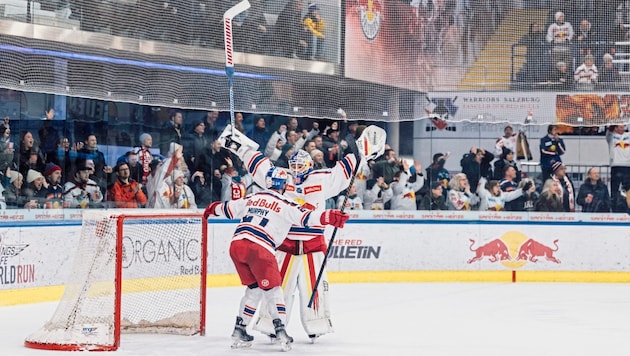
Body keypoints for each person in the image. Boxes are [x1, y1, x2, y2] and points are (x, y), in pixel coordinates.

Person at [222, 130, 357, 341]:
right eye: (293, 166)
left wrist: (358, 153)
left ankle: (316, 324)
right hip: (285, 245)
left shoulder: (321, 179)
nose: (295, 171)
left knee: (315, 287)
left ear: (309, 166)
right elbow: (261, 168)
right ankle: (269, 324)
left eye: (299, 167)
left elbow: (341, 174)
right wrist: (242, 149)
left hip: (312, 244)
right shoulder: (281, 178)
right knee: (277, 287)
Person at [202, 167, 349, 350]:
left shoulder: (252, 197)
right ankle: (280, 330)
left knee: (254, 289)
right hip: (260, 248)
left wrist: (210, 209)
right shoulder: (285, 203)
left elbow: (227, 209)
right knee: (274, 290)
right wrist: (330, 216)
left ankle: (240, 329)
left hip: (237, 245)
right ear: (284, 185)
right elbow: (307, 218)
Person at [606, 125, 630, 211]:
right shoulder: (611, 136)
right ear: (616, 128)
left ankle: (628, 208)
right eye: (620, 127)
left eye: (623, 127)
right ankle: (614, 209)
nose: (623, 128)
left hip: (628, 166)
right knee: (614, 190)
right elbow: (609, 131)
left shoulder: (628, 135)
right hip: (616, 165)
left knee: (628, 190)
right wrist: (614, 121)